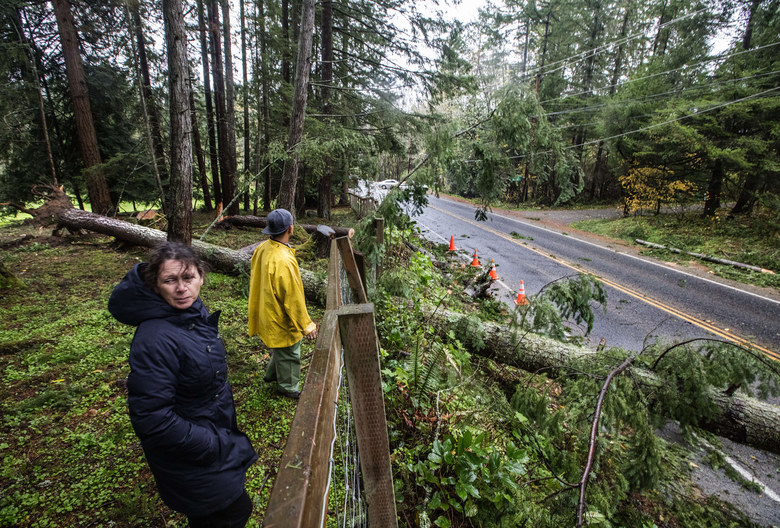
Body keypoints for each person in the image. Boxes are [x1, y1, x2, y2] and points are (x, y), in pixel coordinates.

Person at [108, 242, 257, 528]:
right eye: (170, 280)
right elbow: (152, 419)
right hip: (193, 452)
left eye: (188, 278)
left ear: (201, 277)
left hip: (210, 437)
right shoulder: (155, 337)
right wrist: (211, 444)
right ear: (156, 285)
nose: (181, 288)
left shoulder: (189, 313)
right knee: (233, 513)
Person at [248, 208, 318, 399]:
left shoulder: (263, 248)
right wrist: (306, 325)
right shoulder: (283, 260)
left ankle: (272, 374)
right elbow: (292, 298)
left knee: (279, 347)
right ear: (290, 229)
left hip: (265, 309)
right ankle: (288, 386)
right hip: (278, 313)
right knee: (289, 349)